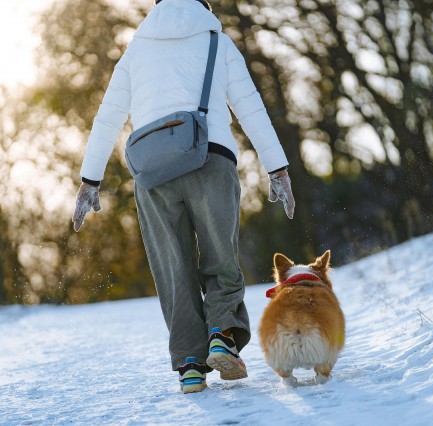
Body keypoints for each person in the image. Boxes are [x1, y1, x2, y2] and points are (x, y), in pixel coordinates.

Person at [72, 0, 295, 394]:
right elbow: (250, 107)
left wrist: (90, 179)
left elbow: (108, 115)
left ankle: (190, 365)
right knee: (220, 259)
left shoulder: (136, 49)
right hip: (211, 158)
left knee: (172, 269)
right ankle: (222, 335)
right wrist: (276, 168)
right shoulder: (217, 41)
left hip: (152, 170)